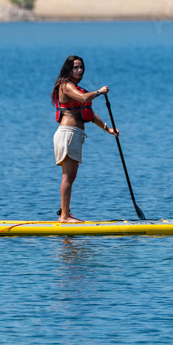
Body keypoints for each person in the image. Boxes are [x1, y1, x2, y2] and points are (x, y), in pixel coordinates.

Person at [51, 55, 119, 223]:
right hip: (68, 134)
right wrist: (99, 92)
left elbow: (89, 112)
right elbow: (84, 98)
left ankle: (64, 213)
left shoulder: (76, 88)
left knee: (70, 176)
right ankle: (65, 216)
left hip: (74, 134)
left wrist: (108, 129)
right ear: (68, 69)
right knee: (68, 177)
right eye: (76, 67)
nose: (80, 70)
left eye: (81, 67)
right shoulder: (65, 86)